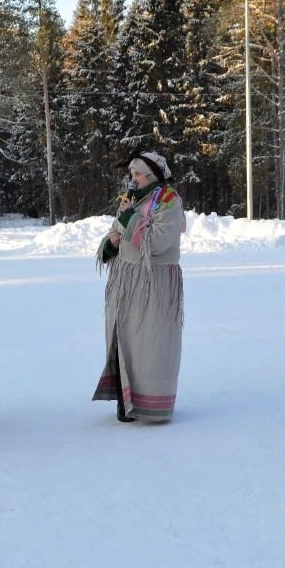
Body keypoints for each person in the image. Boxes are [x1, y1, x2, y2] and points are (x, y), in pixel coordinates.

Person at [92, 151, 185, 423]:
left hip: (153, 284)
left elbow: (157, 242)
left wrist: (129, 219)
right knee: (124, 340)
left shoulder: (168, 202)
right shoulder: (132, 200)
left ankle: (150, 404)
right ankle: (125, 399)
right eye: (131, 175)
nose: (132, 181)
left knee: (150, 344)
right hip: (125, 282)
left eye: (138, 175)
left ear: (152, 175)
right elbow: (116, 230)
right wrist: (110, 244)